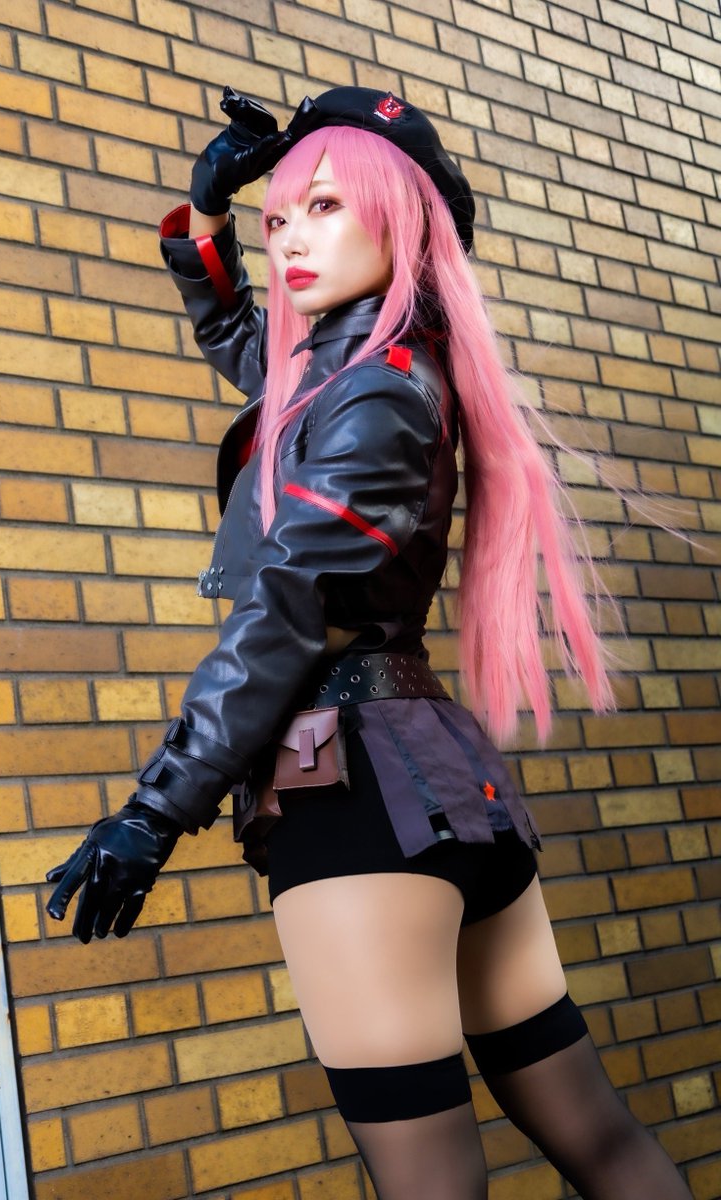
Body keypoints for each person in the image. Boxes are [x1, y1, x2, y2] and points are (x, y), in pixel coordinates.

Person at [47, 87, 692, 1200]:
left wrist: (156, 808)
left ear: (402, 219)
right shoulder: (361, 374)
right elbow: (241, 340)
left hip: (350, 790)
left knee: (432, 1183)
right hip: (439, 786)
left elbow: (288, 605)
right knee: (598, 1139)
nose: (289, 239)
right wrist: (208, 220)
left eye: (326, 206)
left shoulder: (377, 396)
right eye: (279, 218)